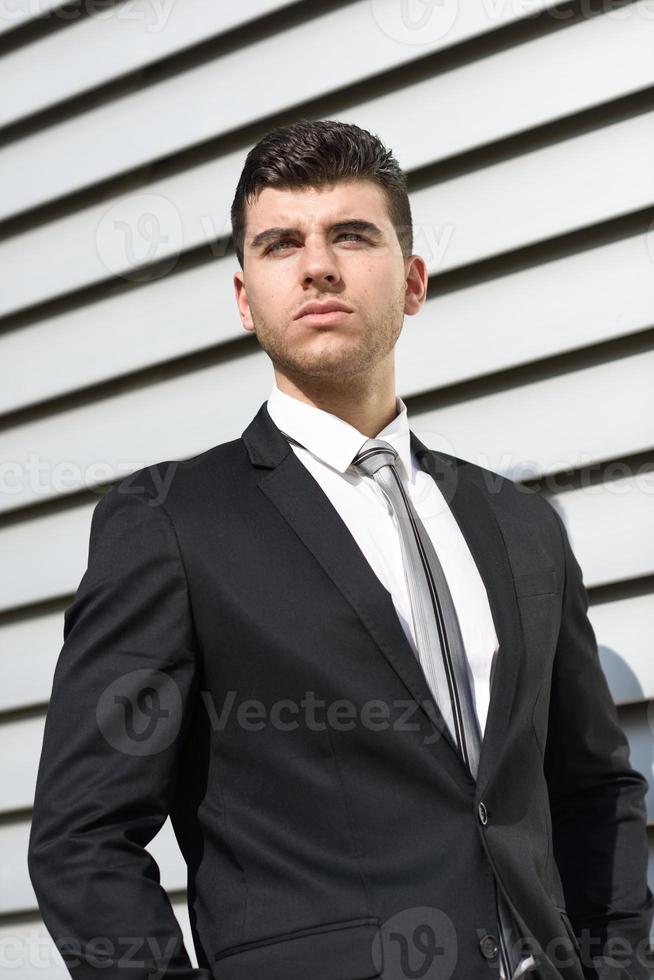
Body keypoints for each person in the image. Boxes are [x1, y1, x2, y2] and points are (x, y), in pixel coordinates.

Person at [28, 119, 653, 980]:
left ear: (414, 281)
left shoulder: (522, 525)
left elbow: (594, 792)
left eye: (351, 235)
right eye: (281, 243)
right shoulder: (170, 521)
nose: (317, 264)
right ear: (245, 299)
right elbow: (82, 839)